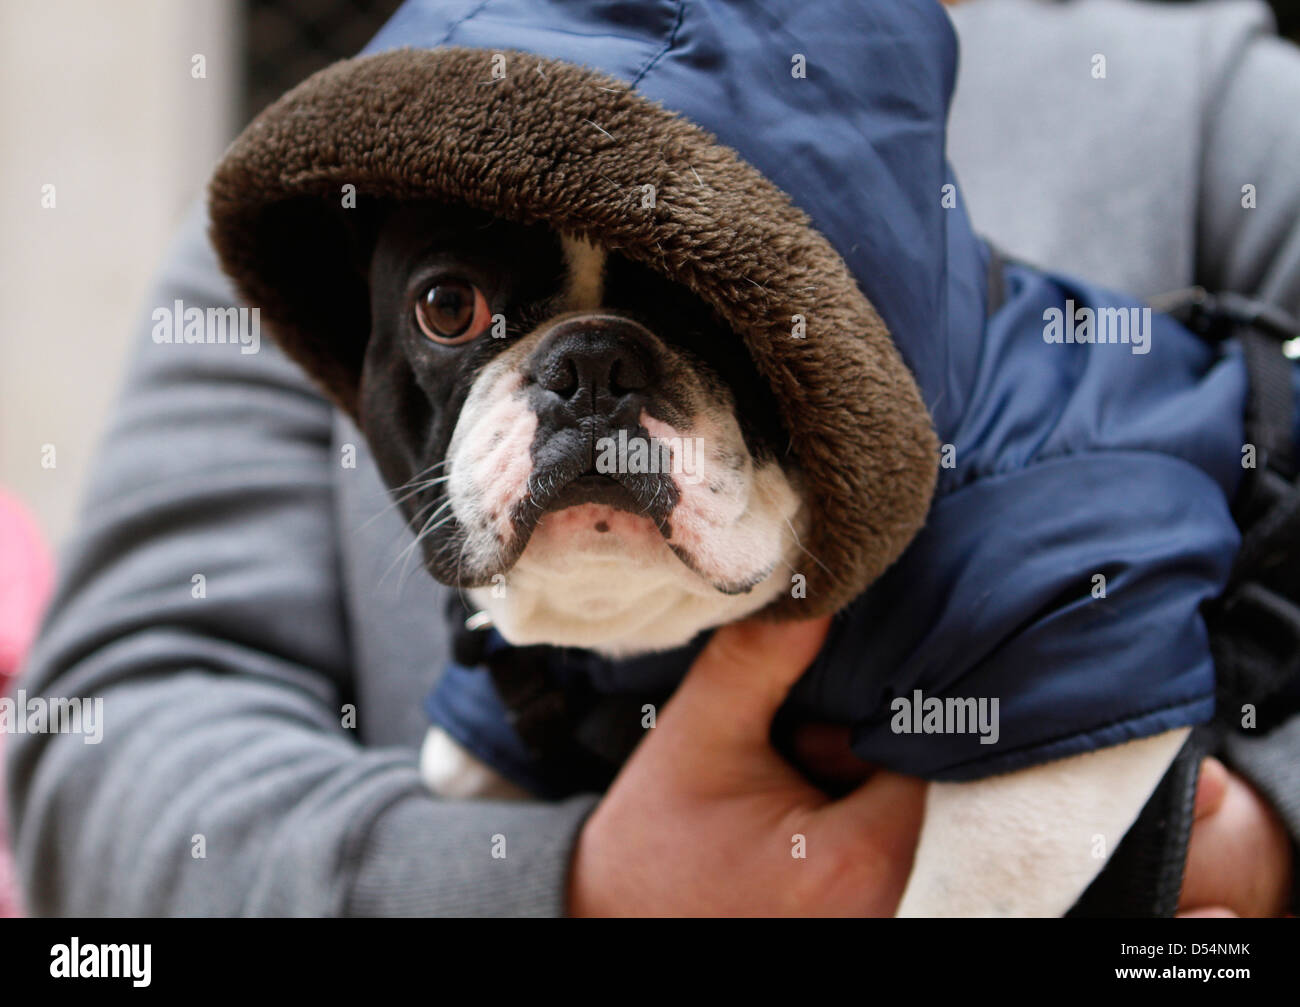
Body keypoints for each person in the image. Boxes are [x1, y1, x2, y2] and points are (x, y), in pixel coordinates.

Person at [7, 0, 1298, 916]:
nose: (586, 395)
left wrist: (1247, 842)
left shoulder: (1212, 105)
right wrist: (563, 888)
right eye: (458, 312)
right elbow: (105, 747)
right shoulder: (354, 163)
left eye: (718, 319)